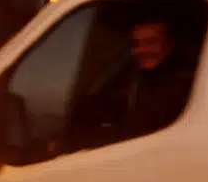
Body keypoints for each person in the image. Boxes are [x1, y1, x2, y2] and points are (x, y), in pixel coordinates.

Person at [76, 13, 195, 147]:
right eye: (136, 44)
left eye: (151, 42)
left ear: (169, 45)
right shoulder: (130, 78)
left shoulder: (184, 85)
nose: (142, 50)